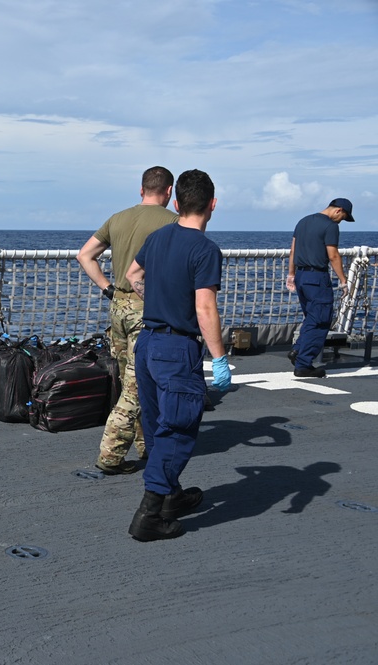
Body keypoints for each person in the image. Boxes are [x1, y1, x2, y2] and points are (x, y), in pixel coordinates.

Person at [124, 169, 231, 542]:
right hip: (176, 348)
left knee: (156, 426)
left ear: (175, 202)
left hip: (148, 343)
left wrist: (156, 299)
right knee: (179, 428)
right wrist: (219, 358)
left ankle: (170, 496)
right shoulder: (205, 250)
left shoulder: (157, 238)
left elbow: (131, 275)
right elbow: (205, 309)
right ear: (212, 205)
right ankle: (149, 516)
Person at [76, 166, 177, 475]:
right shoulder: (173, 223)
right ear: (169, 192)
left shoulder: (117, 218)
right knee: (137, 387)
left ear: (141, 189)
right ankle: (111, 455)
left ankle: (146, 445)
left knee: (130, 381)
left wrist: (107, 288)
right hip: (147, 310)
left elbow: (85, 255)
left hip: (118, 307)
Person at [286, 198, 354, 378]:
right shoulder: (331, 226)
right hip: (317, 278)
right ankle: (303, 363)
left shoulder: (303, 221)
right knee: (321, 320)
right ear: (339, 210)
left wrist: (291, 274)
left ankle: (298, 350)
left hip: (301, 277)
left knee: (311, 317)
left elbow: (292, 251)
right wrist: (343, 280)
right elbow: (333, 256)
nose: (341, 221)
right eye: (344, 217)